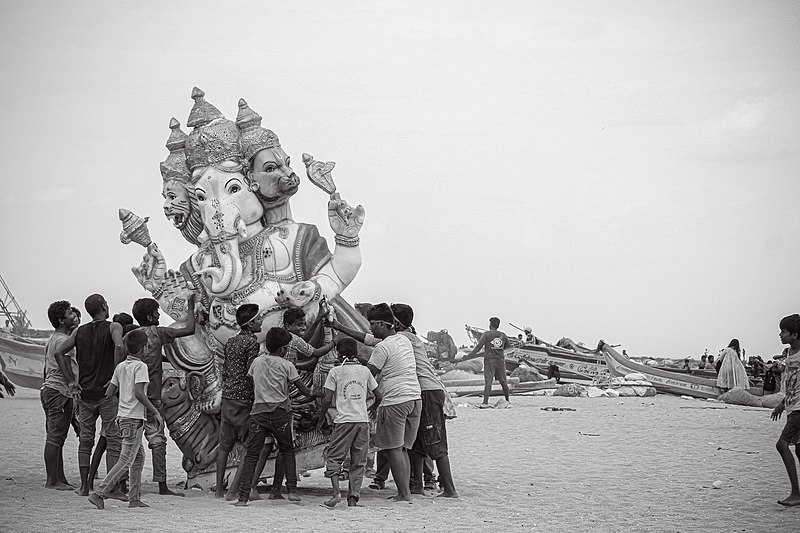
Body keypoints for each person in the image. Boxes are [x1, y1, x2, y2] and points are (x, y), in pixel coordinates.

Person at [53, 293, 124, 497]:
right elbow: (119, 346)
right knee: (113, 439)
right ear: (103, 306)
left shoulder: (79, 331)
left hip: (85, 393)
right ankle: (112, 487)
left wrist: (70, 381)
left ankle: (84, 486)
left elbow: (59, 353)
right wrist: (115, 377)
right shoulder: (114, 327)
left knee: (86, 440)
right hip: (106, 393)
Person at [234, 327, 315, 506]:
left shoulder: (257, 362)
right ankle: (292, 491)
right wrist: (316, 393)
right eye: (286, 347)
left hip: (258, 413)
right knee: (287, 450)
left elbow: (251, 379)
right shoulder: (287, 365)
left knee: (252, 455)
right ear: (282, 349)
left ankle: (243, 497)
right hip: (280, 413)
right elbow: (305, 391)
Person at [88, 329, 163, 509]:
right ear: (144, 348)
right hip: (133, 419)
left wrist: (124, 401)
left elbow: (109, 392)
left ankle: (134, 498)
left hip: (122, 417)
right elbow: (139, 393)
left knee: (137, 458)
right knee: (126, 460)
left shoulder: (121, 366)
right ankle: (99, 493)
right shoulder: (141, 367)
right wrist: (155, 412)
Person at [131, 296, 196, 497]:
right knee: (158, 441)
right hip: (152, 396)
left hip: (132, 396)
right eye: (157, 312)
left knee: (130, 442)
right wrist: (191, 308)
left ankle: (123, 483)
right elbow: (189, 330)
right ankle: (162, 485)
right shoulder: (158, 333)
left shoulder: (131, 336)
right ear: (151, 316)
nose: (159, 315)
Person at [391, 303, 458, 498]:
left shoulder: (403, 338)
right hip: (421, 391)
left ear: (395, 322)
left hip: (426, 390)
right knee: (416, 443)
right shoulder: (409, 336)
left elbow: (373, 340)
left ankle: (449, 489)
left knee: (435, 442)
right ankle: (417, 485)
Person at [365, 303, 421, 502]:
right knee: (403, 448)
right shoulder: (403, 340)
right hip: (414, 397)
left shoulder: (382, 347)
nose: (370, 328)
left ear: (382, 323)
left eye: (372, 324)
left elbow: (368, 373)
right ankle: (404, 491)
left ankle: (404, 494)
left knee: (393, 449)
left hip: (395, 400)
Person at [318, 337, 380, 507]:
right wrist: (372, 408)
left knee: (334, 458)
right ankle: (353, 498)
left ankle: (336, 494)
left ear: (338, 353)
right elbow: (378, 395)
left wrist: (321, 417)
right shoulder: (365, 371)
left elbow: (326, 399)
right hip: (362, 421)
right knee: (359, 461)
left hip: (344, 421)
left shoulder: (335, 372)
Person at [215, 303, 261, 500]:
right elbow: (251, 372)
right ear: (250, 324)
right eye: (258, 319)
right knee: (249, 445)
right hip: (244, 399)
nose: (261, 322)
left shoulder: (231, 342)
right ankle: (234, 490)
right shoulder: (252, 343)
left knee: (224, 446)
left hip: (227, 397)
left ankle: (218, 490)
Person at [41, 300, 80, 490]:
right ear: (60, 319)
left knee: (58, 437)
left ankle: (60, 478)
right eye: (70, 313)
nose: (74, 316)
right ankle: (52, 480)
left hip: (50, 389)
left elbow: (46, 367)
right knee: (55, 437)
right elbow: (61, 358)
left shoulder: (53, 338)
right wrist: (71, 382)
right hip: (59, 391)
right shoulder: (62, 341)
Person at [771, 314, 800, 507]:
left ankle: (796, 494)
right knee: (799, 449)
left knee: (782, 444)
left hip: (799, 408)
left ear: (795, 334)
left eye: (784, 331)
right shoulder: (789, 353)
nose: (780, 334)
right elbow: (791, 382)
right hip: (792, 405)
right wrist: (782, 403)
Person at [463, 317, 511, 408]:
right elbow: (508, 347)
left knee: (488, 382)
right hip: (500, 360)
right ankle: (507, 400)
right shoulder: (503, 335)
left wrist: (470, 355)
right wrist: (499, 350)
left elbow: (478, 347)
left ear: (490, 325)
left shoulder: (486, 334)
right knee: (503, 381)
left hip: (490, 361)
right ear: (498, 325)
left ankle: (485, 402)